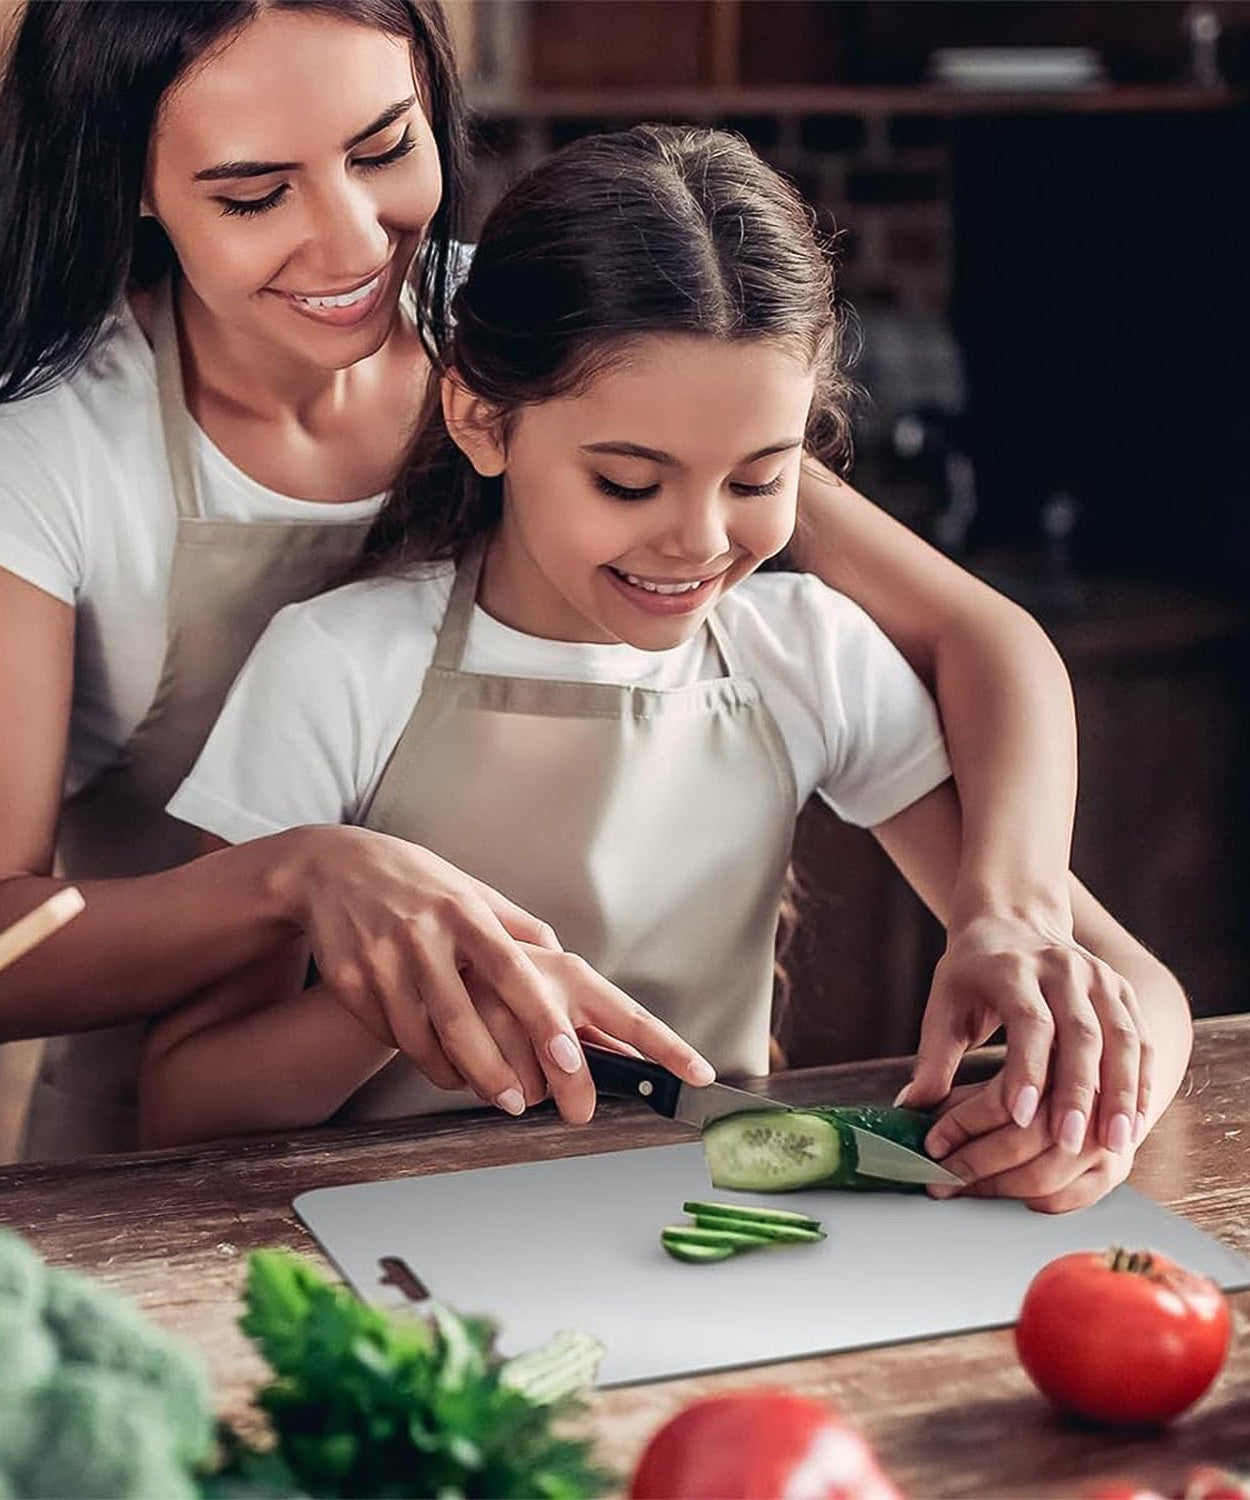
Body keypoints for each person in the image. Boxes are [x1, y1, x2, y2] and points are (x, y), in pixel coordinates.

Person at [0, 1, 1148, 1160]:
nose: (353, 246)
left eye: (384, 148)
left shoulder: (557, 332)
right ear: (126, 178)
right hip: (155, 1151)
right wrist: (300, 883)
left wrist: (1014, 919)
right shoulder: (55, 450)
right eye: (254, 194)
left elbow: (974, 635)